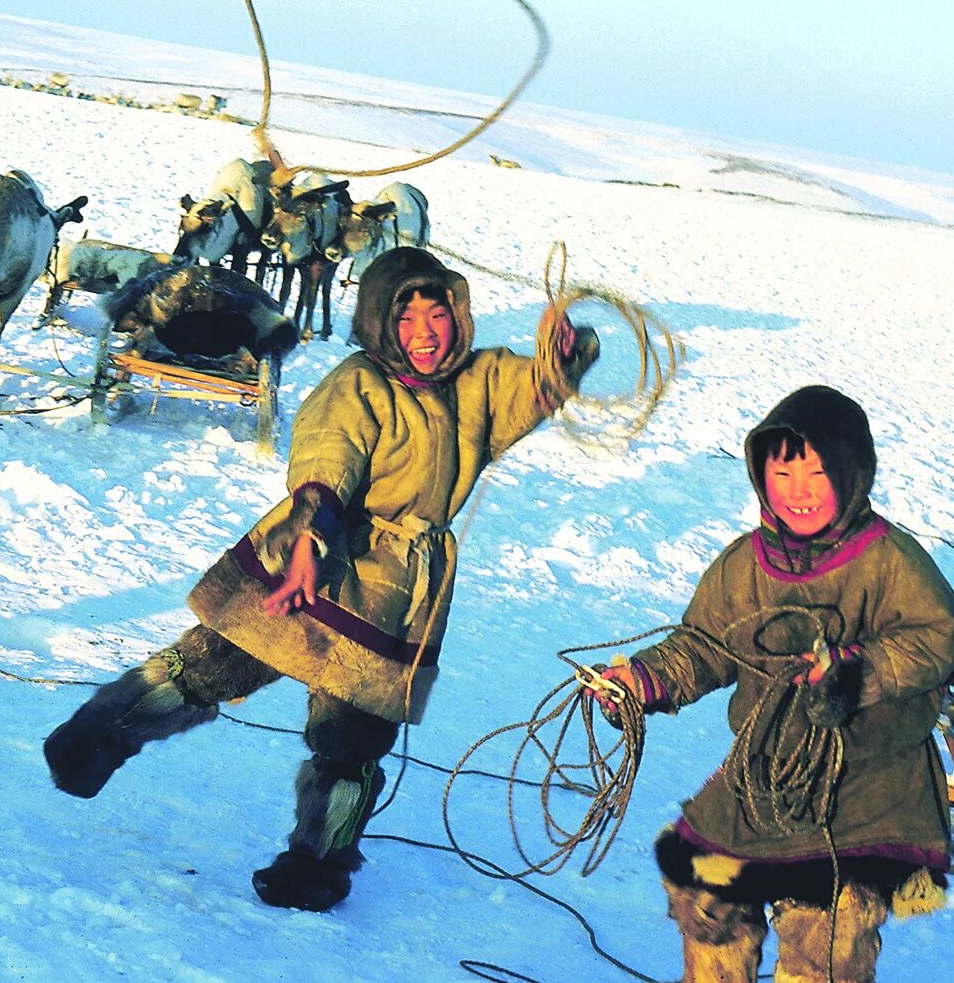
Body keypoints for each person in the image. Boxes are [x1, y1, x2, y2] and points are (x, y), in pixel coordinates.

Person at [43, 246, 599, 910]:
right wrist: (310, 531)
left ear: (458, 312)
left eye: (437, 312)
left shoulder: (474, 382)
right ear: (377, 321)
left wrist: (562, 358)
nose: (424, 331)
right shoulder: (357, 384)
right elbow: (327, 452)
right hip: (319, 550)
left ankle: (319, 863)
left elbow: (528, 391)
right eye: (406, 316)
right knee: (210, 667)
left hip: (396, 590)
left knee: (351, 740)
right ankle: (96, 737)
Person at [592, 385, 954, 983]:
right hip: (766, 774)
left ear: (851, 475)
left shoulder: (888, 560)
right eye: (783, 471)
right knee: (706, 895)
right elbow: (704, 645)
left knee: (824, 932)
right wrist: (645, 680)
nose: (798, 491)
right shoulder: (743, 566)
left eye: (818, 472)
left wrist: (856, 673)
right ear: (759, 475)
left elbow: (939, 638)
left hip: (867, 787)